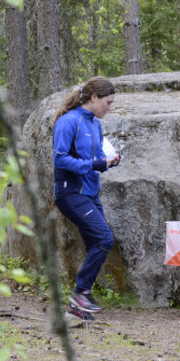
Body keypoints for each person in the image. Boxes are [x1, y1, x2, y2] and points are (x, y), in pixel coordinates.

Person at [52, 76, 120, 317]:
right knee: (104, 238)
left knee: (96, 243)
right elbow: (60, 159)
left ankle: (75, 308)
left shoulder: (95, 124)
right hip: (70, 193)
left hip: (91, 193)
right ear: (94, 98)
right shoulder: (69, 122)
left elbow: (96, 161)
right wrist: (93, 163)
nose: (109, 108)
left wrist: (108, 163)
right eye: (108, 102)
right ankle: (80, 294)